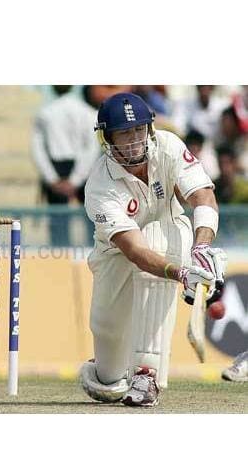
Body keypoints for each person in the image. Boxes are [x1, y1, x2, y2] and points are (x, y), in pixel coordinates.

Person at [80, 93, 227, 407]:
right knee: (108, 359)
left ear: (149, 129)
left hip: (169, 233)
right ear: (108, 138)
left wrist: (201, 247)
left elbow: (203, 197)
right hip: (114, 254)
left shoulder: (169, 146)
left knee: (161, 234)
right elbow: (133, 250)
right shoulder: (100, 186)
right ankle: (109, 372)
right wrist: (181, 273)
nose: (134, 140)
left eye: (139, 130)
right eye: (124, 133)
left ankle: (147, 374)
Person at [31, 85, 99, 246]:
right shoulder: (87, 111)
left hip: (56, 168)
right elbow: (91, 148)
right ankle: (92, 253)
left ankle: (59, 255)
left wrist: (52, 178)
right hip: (82, 168)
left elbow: (38, 149)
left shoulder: (46, 112)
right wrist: (76, 179)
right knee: (90, 219)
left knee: (59, 222)